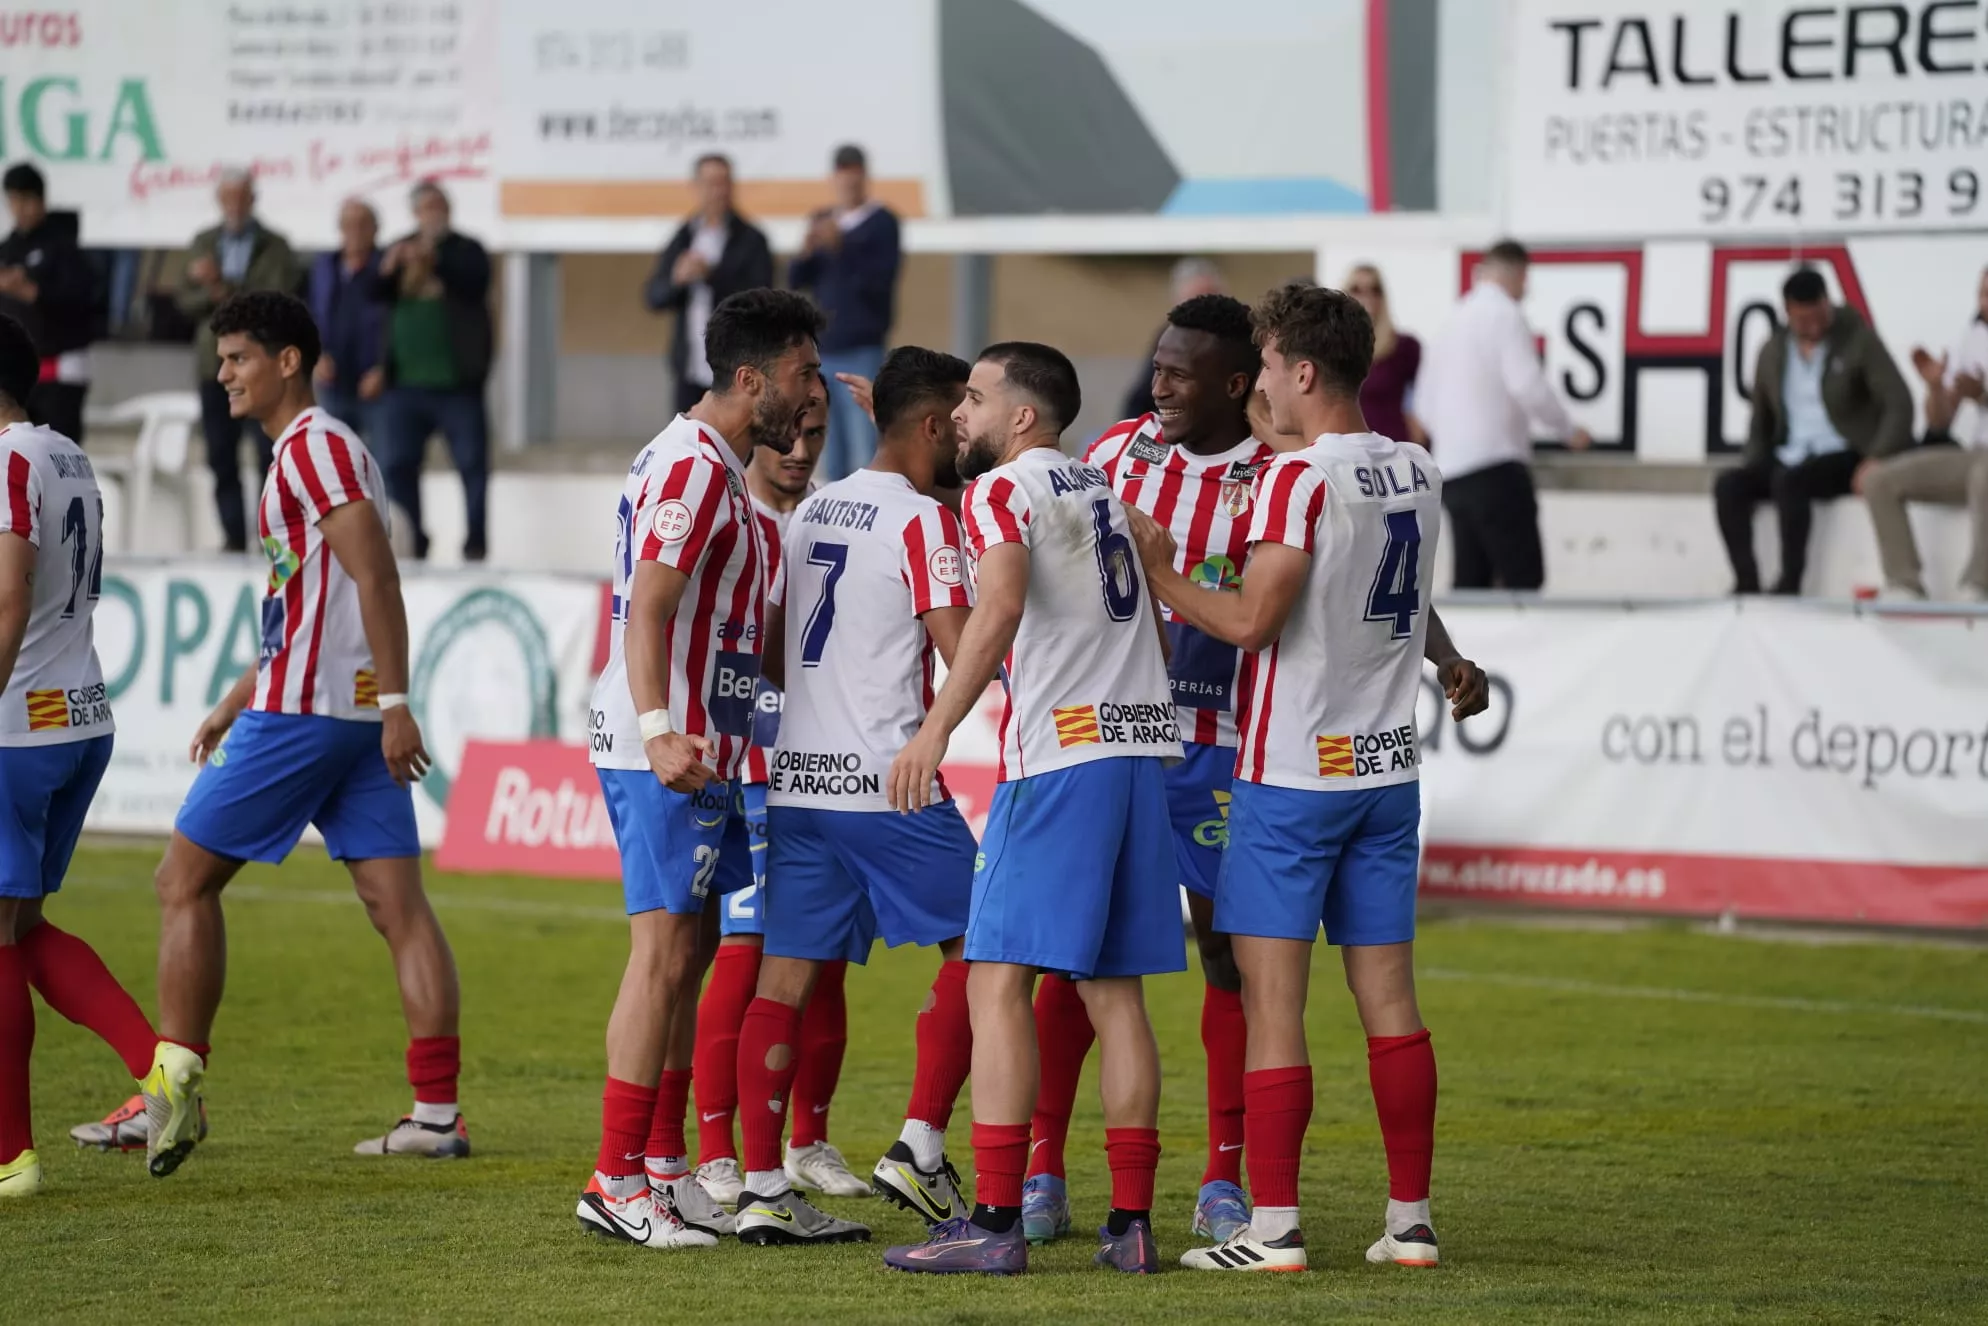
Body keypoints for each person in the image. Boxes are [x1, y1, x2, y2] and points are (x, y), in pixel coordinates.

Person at [1123, 281, 1488, 1273]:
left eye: (1270, 371)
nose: (1261, 400)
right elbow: (1395, 598)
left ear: (1300, 370)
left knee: (1272, 1006)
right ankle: (1408, 1220)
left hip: (1290, 778)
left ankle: (1271, 1226)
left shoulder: (1295, 480)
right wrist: (1443, 661)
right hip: (1383, 769)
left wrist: (1158, 569)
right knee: (1391, 1005)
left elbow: (1251, 621)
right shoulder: (1414, 467)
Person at [124, 292, 466, 1178]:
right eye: (222, 358)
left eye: (237, 357)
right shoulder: (313, 454)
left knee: (181, 882)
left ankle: (170, 1094)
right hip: (334, 711)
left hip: (313, 714)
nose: (223, 373)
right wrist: (239, 695)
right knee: (399, 908)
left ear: (287, 361)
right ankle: (436, 1114)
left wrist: (398, 699)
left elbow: (376, 577)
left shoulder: (312, 449)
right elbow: (303, 601)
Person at [882, 342, 1185, 1277]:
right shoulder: (1098, 487)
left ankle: (996, 1221)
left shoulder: (1000, 492)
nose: (959, 414)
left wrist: (934, 730)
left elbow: (1000, 607)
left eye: (973, 398)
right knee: (1115, 994)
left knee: (994, 981)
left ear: (1021, 417)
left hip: (1060, 761)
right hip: (1140, 753)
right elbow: (1157, 555)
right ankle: (1130, 1226)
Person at [1024, 294, 1277, 1249]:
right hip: (1113, 738)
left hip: (1220, 742)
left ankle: (1222, 1179)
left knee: (1229, 955)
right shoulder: (1120, 452)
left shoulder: (1277, 475)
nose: (1159, 383)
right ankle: (1043, 1164)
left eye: (1180, 371)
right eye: (1158, 363)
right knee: (1074, 950)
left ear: (1237, 382)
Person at [580, 288, 823, 1251]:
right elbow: (647, 608)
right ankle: (613, 1175)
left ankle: (664, 1166)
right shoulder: (691, 467)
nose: (810, 400)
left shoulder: (714, 464)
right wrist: (655, 729)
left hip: (698, 746)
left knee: (684, 959)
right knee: (662, 956)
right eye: (801, 376)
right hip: (666, 751)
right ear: (750, 378)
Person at [729, 345, 980, 1247]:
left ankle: (762, 1186)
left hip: (798, 782)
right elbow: (964, 650)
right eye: (961, 415)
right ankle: (919, 1142)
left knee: (783, 979)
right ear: (928, 426)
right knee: (990, 945)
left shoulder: (809, 510)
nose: (971, 430)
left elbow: (768, 646)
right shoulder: (924, 522)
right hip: (889, 783)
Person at [689, 379, 870, 1213]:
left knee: (822, 963)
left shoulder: (841, 515)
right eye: (788, 435)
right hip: (748, 769)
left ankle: (808, 1139)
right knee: (743, 954)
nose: (800, 451)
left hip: (829, 768)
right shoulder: (724, 511)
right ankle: (719, 1150)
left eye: (816, 435)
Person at [0, 312, 164, 1197]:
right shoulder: (65, 451)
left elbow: (7, 598)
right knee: (21, 930)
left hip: (14, 726)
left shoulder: (6, 461)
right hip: (80, 716)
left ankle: (8, 1158)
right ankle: (159, 1066)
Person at [1417, 239, 1591, 590]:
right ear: (1520, 275)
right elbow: (1527, 384)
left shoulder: (1451, 319)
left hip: (1452, 473)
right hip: (1496, 468)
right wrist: (1568, 430)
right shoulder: (1506, 315)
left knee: (1471, 585)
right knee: (1522, 581)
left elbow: (1424, 406)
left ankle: (1466, 648)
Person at [371, 179, 494, 562]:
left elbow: (476, 281)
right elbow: (371, 296)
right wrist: (389, 268)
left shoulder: (466, 250)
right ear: (415, 213)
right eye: (426, 208)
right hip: (404, 386)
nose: (433, 214)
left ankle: (475, 543)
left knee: (473, 466)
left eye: (439, 206)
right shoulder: (397, 247)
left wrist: (434, 258)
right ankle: (413, 544)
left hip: (457, 384)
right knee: (397, 465)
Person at [178, 169, 298, 552]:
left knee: (268, 454)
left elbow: (270, 301)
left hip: (260, 367)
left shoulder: (275, 246)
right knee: (221, 456)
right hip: (215, 367)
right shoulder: (203, 242)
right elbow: (184, 300)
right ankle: (232, 537)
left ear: (252, 200)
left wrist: (217, 286)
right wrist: (217, 291)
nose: (234, 205)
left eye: (240, 197)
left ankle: (273, 537)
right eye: (227, 198)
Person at [1860, 265, 1988, 602]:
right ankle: (1904, 584)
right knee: (1879, 481)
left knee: (1985, 475)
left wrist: (1983, 393)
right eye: (1983, 294)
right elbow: (1940, 422)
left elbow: (1980, 393)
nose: (1986, 303)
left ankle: (1980, 585)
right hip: (1977, 455)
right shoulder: (1973, 338)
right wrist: (1934, 388)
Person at [788, 145, 901, 479]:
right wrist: (806, 251)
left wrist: (843, 247)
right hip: (823, 350)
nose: (848, 184)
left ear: (865, 178)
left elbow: (879, 282)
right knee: (828, 443)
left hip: (862, 348)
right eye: (842, 176)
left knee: (865, 443)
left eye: (854, 176)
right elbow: (796, 279)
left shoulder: (882, 223)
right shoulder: (823, 218)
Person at [646, 154, 775, 416]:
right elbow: (653, 297)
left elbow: (762, 299)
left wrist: (711, 275)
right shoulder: (685, 235)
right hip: (689, 370)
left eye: (723, 183)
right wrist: (677, 280)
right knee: (688, 449)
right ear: (696, 187)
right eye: (710, 183)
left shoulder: (751, 239)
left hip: (734, 372)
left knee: (732, 453)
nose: (718, 191)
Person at [0, 164, 95, 444]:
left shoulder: (64, 247)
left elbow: (83, 302)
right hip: (17, 375)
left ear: (41, 199)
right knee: (16, 452)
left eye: (26, 199)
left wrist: (32, 292)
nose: (20, 209)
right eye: (14, 200)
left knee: (59, 452)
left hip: (61, 372)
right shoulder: (8, 249)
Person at [308, 199, 387, 440]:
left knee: (380, 465)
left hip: (376, 384)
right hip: (333, 382)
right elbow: (311, 315)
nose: (356, 231)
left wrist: (384, 369)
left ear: (375, 229)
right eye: (349, 225)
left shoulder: (388, 268)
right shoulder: (325, 267)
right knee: (334, 462)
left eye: (363, 224)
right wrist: (316, 355)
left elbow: (398, 324)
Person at [1121, 258, 1228, 420]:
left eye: (1211, 299)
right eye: (1193, 302)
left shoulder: (1236, 340)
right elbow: (1140, 400)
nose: (1203, 311)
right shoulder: (1167, 339)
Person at [1345, 264, 1425, 445]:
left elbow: (1427, 398)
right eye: (1357, 289)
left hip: (1392, 447)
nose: (1367, 296)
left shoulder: (1405, 347)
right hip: (1348, 448)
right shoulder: (1333, 349)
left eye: (1375, 289)